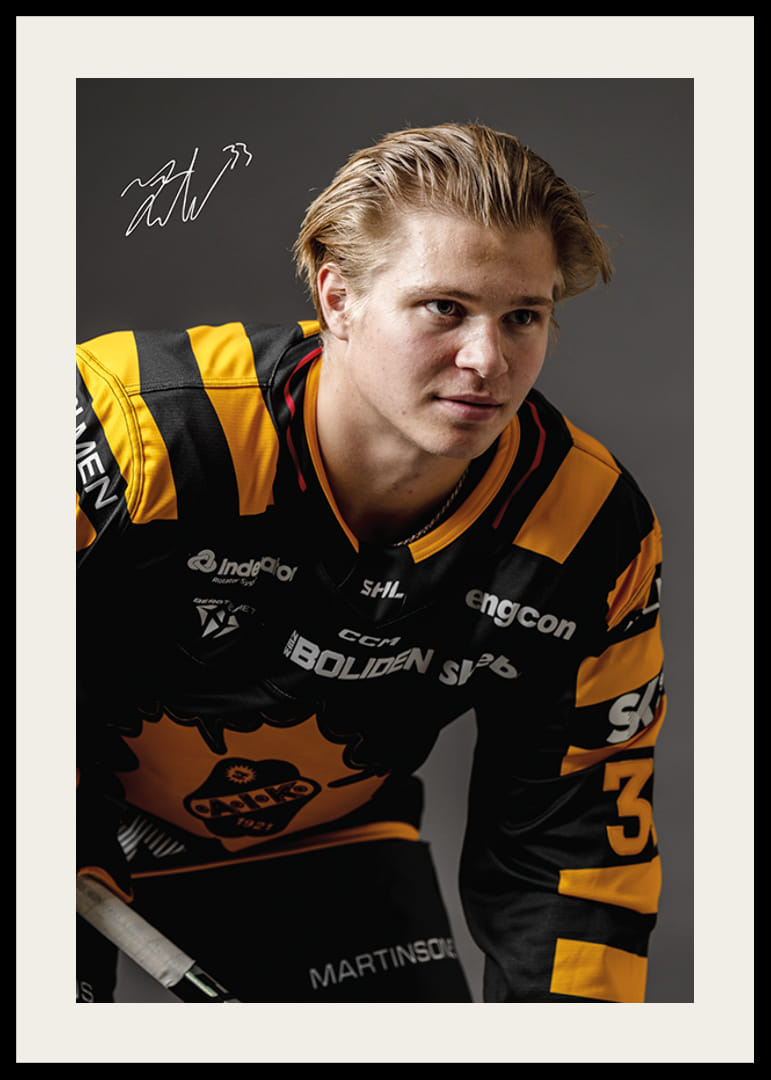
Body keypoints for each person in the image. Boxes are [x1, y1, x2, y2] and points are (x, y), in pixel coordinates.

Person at [76, 122, 666, 1003]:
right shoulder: (133, 424)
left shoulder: (587, 529)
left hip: (324, 830)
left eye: (522, 316)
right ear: (338, 299)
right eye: (444, 308)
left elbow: (576, 841)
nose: (487, 361)